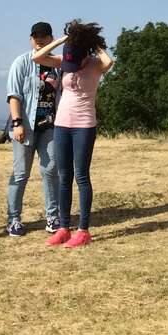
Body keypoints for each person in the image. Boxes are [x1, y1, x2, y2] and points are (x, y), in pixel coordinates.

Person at [37, 21, 113, 249]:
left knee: (81, 176)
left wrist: (95, 45)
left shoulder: (95, 64)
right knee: (64, 176)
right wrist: (62, 41)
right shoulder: (64, 61)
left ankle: (83, 230)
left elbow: (110, 62)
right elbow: (37, 57)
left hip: (84, 125)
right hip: (62, 124)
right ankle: (63, 228)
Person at [4, 23, 64, 237]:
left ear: (51, 38)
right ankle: (13, 219)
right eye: (35, 36)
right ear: (30, 39)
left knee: (50, 170)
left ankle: (53, 216)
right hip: (26, 126)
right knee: (20, 174)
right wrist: (17, 123)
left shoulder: (58, 64)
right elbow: (14, 95)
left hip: (50, 125)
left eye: (44, 36)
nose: (39, 40)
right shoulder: (21, 63)